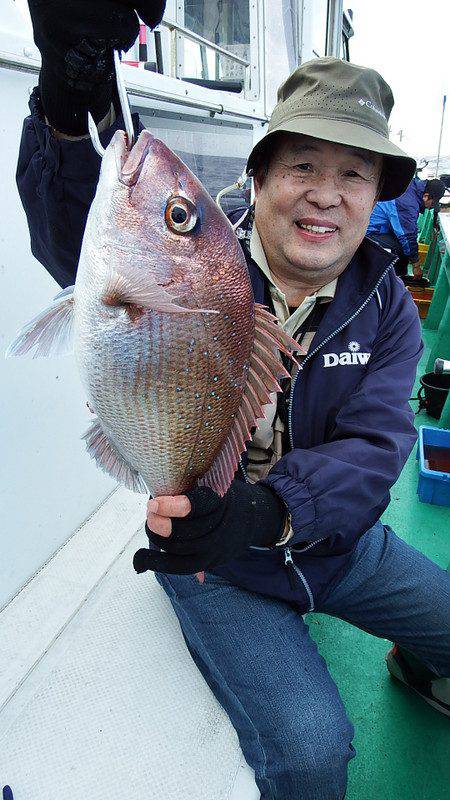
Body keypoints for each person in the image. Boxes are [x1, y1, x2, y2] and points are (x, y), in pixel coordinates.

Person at [17, 4, 450, 799]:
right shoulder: (202, 257)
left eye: (354, 175)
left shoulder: (389, 303)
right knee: (315, 752)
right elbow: (82, 240)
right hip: (214, 556)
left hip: (334, 541)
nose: (327, 196)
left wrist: (270, 510)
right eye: (303, 166)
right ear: (259, 176)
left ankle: (416, 663)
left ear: (376, 195)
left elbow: (376, 450)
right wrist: (64, 110)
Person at [367, 175, 446, 279]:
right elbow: (408, 236)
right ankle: (396, 279)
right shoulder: (408, 204)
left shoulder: (413, 187)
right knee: (400, 248)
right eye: (432, 204)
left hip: (383, 226)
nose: (430, 207)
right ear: (426, 196)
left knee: (405, 246)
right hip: (370, 231)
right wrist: (416, 265)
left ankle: (401, 276)